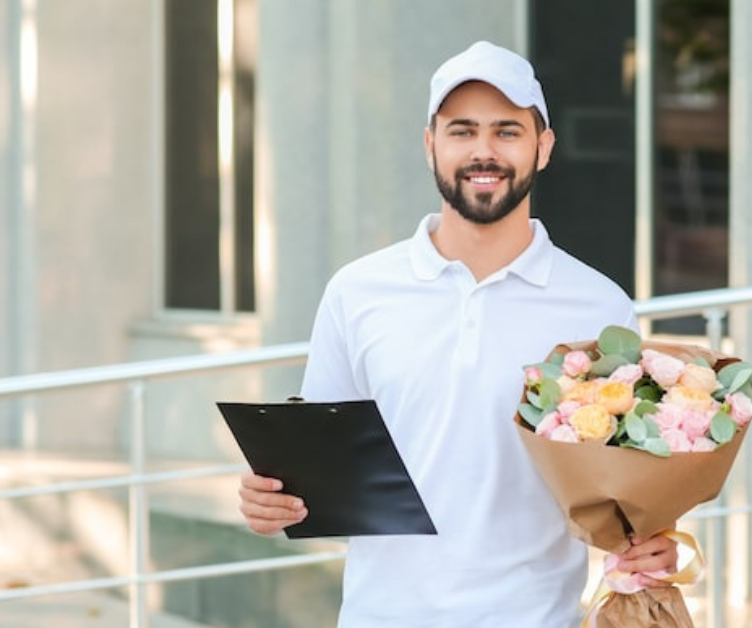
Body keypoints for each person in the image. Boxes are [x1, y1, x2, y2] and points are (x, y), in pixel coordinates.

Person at [238, 41, 680, 627]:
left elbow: (621, 498)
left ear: (542, 148)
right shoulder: (358, 292)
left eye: (507, 131)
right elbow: (317, 473)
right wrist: (271, 499)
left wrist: (650, 544)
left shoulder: (600, 306)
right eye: (462, 131)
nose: (483, 151)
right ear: (431, 145)